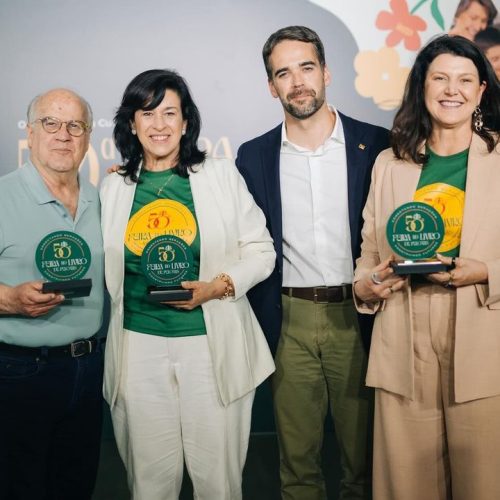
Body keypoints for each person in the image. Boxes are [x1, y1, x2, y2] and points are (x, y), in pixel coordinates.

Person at [100, 69, 275, 500]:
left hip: (210, 348)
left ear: (185, 122)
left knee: (218, 483)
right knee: (148, 484)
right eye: (147, 113)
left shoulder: (220, 175)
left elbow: (261, 250)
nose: (159, 125)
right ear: (131, 124)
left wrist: (217, 287)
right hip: (137, 350)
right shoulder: (112, 187)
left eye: (169, 113)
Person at [236, 26, 389, 500]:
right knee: (297, 465)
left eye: (306, 68)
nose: (297, 81)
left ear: (326, 72)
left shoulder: (378, 145)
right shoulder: (253, 155)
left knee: (365, 461)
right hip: (289, 322)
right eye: (283, 73)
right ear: (271, 86)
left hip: (363, 316)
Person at [354, 35, 500, 500]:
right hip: (402, 333)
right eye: (439, 78)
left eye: (464, 80)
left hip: (482, 332)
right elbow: (369, 255)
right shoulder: (389, 164)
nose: (450, 90)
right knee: (405, 485)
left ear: (481, 92)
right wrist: (371, 283)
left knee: (484, 483)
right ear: (422, 87)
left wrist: (485, 272)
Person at [0, 89, 104, 500]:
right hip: (20, 374)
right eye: (51, 123)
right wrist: (8, 300)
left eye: (75, 125)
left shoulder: (103, 198)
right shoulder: (2, 195)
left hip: (90, 369)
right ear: (29, 132)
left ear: (88, 136)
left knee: (76, 487)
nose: (63, 134)